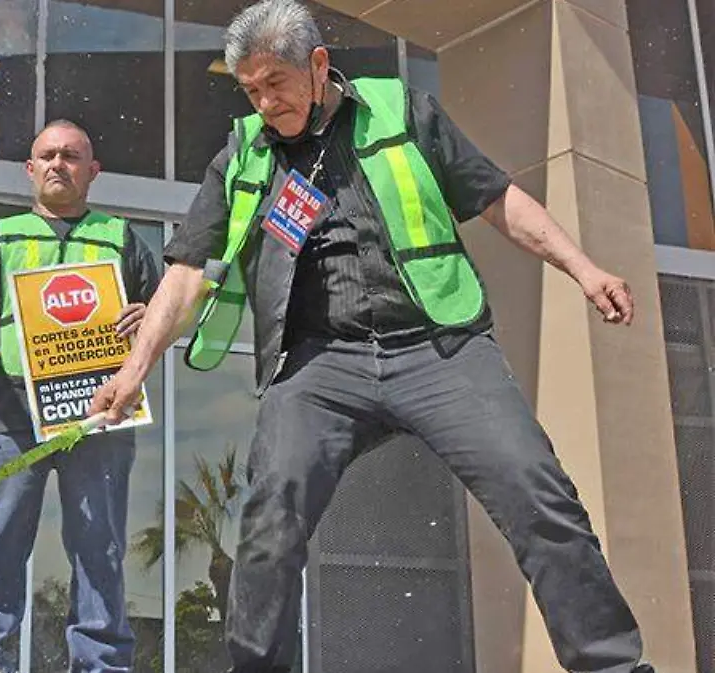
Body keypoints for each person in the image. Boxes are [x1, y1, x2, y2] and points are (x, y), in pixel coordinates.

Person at [87, 1, 656, 672]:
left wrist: (582, 268)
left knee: (537, 492)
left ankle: (614, 664)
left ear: (319, 65)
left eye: (277, 83)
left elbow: (498, 199)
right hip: (320, 364)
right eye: (251, 90)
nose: (265, 103)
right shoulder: (243, 154)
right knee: (271, 518)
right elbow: (184, 272)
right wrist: (134, 368)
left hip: (438, 346)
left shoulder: (402, 111)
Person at [0, 118, 161, 673]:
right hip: (11, 413)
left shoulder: (121, 237)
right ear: (30, 169)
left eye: (71, 156)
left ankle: (102, 665)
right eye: (47, 155)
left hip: (99, 410)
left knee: (100, 547)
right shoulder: (2, 237)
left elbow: (165, 310)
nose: (58, 164)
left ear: (93, 172)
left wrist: (150, 315)